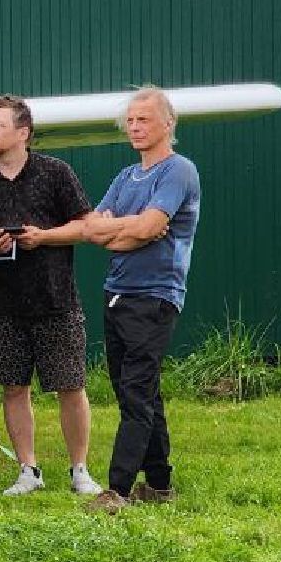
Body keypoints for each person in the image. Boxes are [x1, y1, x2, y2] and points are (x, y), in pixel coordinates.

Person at [0, 94, 101, 497]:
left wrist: (43, 237)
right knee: (13, 387)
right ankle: (28, 470)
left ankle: (79, 469)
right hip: (0, 303)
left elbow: (87, 227)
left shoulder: (55, 173)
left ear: (22, 132)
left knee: (70, 385)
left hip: (55, 298)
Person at [81, 87, 200, 513]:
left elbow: (152, 227)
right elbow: (92, 228)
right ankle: (161, 484)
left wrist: (123, 230)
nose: (134, 126)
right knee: (139, 390)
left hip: (155, 296)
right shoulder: (125, 176)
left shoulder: (178, 171)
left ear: (167, 123)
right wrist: (124, 234)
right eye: (130, 120)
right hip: (118, 293)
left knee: (135, 391)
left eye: (144, 119)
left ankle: (118, 491)